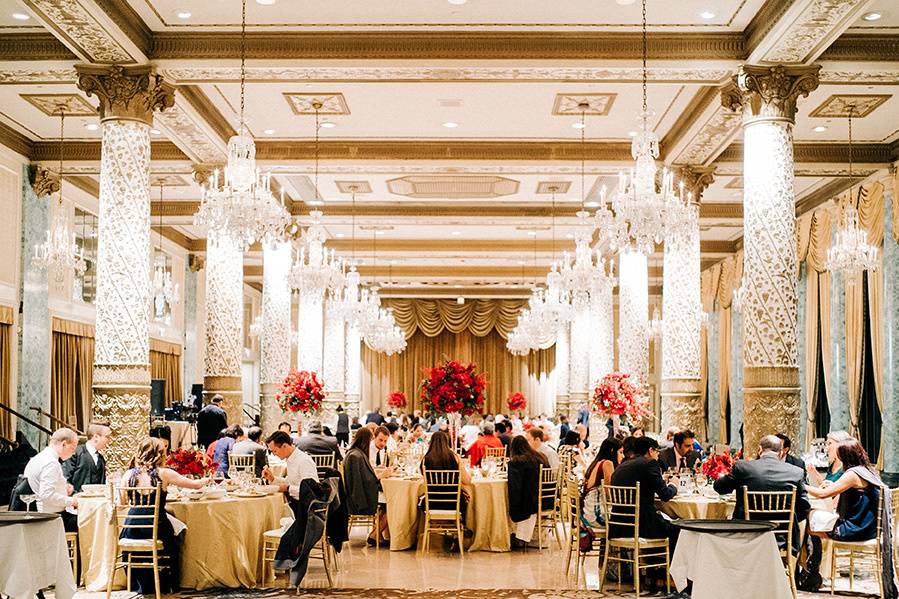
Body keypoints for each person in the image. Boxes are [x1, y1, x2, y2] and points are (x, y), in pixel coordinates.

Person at [118, 437, 208, 594]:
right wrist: (208, 478)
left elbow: (122, 502)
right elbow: (196, 485)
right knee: (177, 537)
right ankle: (167, 583)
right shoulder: (164, 474)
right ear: (160, 455)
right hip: (156, 526)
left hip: (132, 527)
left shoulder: (128, 475)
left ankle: (138, 584)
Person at [713, 434, 811, 553]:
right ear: (781, 453)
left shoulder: (743, 468)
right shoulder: (795, 472)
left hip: (746, 532)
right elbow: (804, 507)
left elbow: (720, 488)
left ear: (759, 450)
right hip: (781, 536)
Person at [609, 436, 678, 545]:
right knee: (680, 529)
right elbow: (665, 495)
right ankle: (666, 562)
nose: (658, 454)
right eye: (657, 451)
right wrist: (673, 484)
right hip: (642, 526)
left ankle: (650, 560)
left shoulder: (622, 465)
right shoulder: (650, 464)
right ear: (650, 451)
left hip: (618, 526)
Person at [23, 428, 79, 531]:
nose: (74, 453)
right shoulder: (51, 463)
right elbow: (46, 495)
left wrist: (62, 487)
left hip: (45, 512)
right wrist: (72, 501)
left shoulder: (39, 458)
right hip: (50, 517)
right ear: (64, 444)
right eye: (73, 448)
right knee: (87, 522)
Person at [343, 427, 392, 546]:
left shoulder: (355, 453)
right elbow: (362, 482)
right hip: (359, 500)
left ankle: (377, 534)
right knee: (393, 504)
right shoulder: (356, 456)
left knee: (389, 502)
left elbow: (364, 476)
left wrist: (376, 471)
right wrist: (380, 476)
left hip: (359, 495)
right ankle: (374, 534)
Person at [507, 435, 549, 548]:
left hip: (530, 501)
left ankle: (515, 536)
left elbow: (515, 487)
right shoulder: (541, 457)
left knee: (505, 501)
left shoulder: (517, 462)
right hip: (545, 499)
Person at [262, 431, 319, 498]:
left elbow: (311, 490)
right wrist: (272, 478)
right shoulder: (291, 458)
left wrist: (288, 488)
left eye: (275, 451)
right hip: (294, 500)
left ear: (284, 446)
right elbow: (290, 482)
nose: (274, 454)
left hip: (304, 505)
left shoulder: (304, 461)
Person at [63, 421, 110, 493]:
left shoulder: (101, 459)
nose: (109, 440)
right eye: (107, 437)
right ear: (96, 437)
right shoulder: (75, 453)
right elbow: (65, 479)